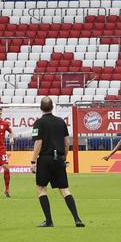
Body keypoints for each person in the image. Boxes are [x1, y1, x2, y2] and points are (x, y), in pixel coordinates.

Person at [31, 97, 83, 228]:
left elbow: (38, 142)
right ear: (52, 107)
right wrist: (64, 157)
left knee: (41, 189)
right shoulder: (61, 122)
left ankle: (49, 221)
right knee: (65, 190)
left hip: (45, 159)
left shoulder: (38, 123)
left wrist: (33, 161)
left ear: (41, 107)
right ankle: (77, 219)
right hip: (59, 159)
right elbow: (67, 142)